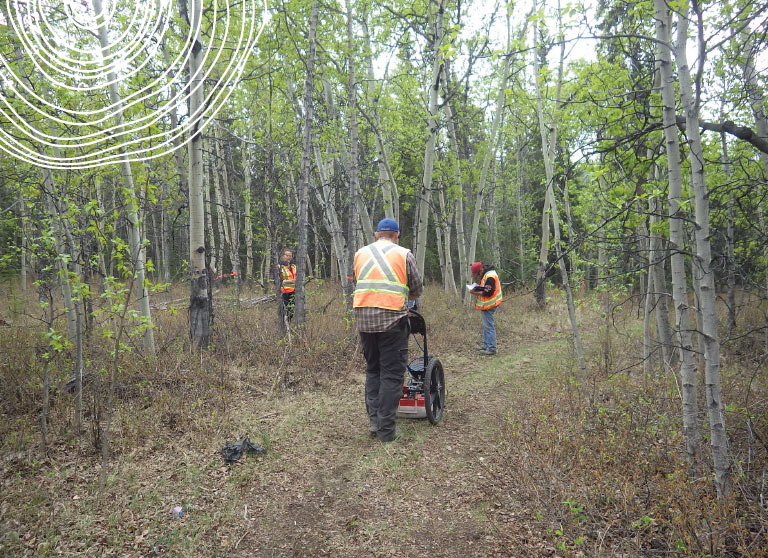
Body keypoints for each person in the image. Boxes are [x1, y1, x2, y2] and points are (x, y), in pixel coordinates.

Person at [354, 218, 423, 442]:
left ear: (376, 234)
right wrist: (406, 299)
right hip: (393, 320)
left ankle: (375, 422)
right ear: (397, 234)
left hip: (364, 320)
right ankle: (386, 432)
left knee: (373, 370)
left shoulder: (360, 253)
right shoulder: (403, 254)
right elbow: (416, 288)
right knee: (392, 376)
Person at [469, 261, 503, 356]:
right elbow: (486, 288)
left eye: (478, 273)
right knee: (486, 325)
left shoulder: (490, 276)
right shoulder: (488, 274)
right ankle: (485, 345)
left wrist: (474, 292)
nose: (478, 275)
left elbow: (488, 292)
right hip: (488, 304)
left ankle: (491, 348)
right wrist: (478, 288)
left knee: (488, 326)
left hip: (490, 304)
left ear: (481, 269)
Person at [278, 249, 296, 321]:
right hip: (284, 293)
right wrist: (290, 281)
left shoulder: (294, 266)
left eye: (290, 256)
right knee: (286, 311)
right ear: (283, 256)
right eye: (287, 255)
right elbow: (277, 282)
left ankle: (288, 324)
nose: (289, 257)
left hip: (294, 292)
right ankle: (284, 326)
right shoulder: (279, 267)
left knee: (292, 312)